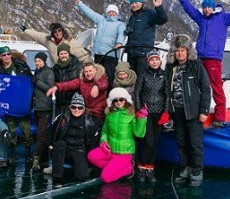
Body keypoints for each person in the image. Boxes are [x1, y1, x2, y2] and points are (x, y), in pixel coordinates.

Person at [165, 34, 211, 186]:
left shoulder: (196, 65)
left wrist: (204, 110)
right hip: (177, 110)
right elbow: (166, 89)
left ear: (187, 51)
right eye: (177, 50)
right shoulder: (171, 67)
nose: (180, 53)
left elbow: (205, 89)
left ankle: (197, 172)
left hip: (193, 111)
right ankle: (185, 169)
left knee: (195, 143)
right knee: (181, 142)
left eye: (182, 50)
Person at [87, 88, 147, 183]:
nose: (118, 102)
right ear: (112, 102)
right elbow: (105, 131)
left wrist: (142, 119)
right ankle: (113, 167)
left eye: (121, 99)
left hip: (124, 153)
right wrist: (103, 141)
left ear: (126, 100)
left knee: (106, 178)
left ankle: (129, 169)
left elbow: (139, 134)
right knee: (91, 155)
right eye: (116, 100)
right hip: (110, 150)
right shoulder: (109, 115)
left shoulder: (130, 115)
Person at [0, 45, 34, 164]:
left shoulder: (21, 66)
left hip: (22, 102)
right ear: (0, 57)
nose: (7, 57)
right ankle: (13, 152)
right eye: (4, 55)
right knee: (11, 129)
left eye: (8, 54)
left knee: (25, 128)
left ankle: (28, 152)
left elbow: (30, 81)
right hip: (8, 104)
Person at [46, 94, 99, 186]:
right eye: (74, 107)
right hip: (64, 149)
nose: (76, 110)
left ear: (84, 108)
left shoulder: (90, 122)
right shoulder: (62, 117)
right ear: (70, 107)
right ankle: (57, 177)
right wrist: (50, 145)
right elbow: (50, 131)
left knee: (83, 176)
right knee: (60, 144)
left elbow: (94, 140)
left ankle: (80, 167)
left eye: (80, 107)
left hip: (79, 150)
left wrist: (89, 157)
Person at [75, 0, 126, 87]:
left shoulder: (120, 24)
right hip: (98, 54)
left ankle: (108, 96)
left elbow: (121, 34)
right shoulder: (101, 20)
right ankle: (98, 96)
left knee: (108, 77)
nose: (111, 13)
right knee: (97, 76)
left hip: (110, 54)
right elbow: (90, 13)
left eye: (113, 12)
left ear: (117, 13)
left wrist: (119, 43)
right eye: (109, 11)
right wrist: (79, 3)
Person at [133, 50, 169, 183]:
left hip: (159, 113)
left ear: (160, 61)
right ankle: (141, 166)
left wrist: (165, 112)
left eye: (157, 59)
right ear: (148, 62)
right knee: (149, 141)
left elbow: (167, 95)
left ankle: (150, 168)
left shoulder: (164, 75)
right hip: (146, 113)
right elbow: (137, 93)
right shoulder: (143, 75)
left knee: (155, 143)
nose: (155, 62)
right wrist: (138, 110)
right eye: (152, 60)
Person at [125, 0, 168, 79]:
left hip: (144, 52)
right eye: (132, 3)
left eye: (136, 2)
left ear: (141, 3)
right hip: (132, 53)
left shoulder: (149, 13)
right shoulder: (132, 18)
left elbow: (163, 19)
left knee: (142, 78)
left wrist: (158, 7)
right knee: (132, 78)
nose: (134, 5)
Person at [20, 22, 92, 64]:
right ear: (52, 33)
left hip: (68, 71)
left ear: (62, 31)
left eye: (59, 30)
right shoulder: (48, 41)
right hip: (56, 70)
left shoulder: (70, 42)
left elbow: (84, 56)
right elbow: (36, 35)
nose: (58, 33)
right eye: (55, 31)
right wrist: (26, 30)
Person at [31, 51, 55, 171]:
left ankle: (37, 159)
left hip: (45, 107)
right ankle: (44, 158)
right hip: (38, 107)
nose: (37, 63)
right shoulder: (37, 71)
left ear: (44, 61)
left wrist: (37, 82)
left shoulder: (49, 72)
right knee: (41, 134)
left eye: (39, 61)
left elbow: (50, 88)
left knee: (41, 133)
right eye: (36, 61)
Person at [51, 43, 83, 114]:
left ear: (69, 54)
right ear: (58, 55)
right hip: (59, 104)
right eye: (61, 54)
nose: (63, 55)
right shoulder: (56, 68)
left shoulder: (78, 66)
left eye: (65, 53)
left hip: (74, 104)